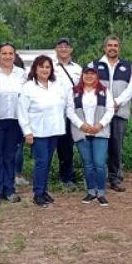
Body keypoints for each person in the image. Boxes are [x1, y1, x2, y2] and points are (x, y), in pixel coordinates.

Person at [18, 55, 68, 207]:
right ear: (35, 68)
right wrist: (27, 131)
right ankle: (38, 193)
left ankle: (44, 191)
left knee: (48, 162)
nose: (45, 70)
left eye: (47, 67)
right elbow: (22, 111)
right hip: (37, 131)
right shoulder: (28, 87)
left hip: (54, 130)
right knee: (41, 162)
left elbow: (64, 105)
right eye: (41, 67)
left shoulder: (56, 86)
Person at [67, 63, 115, 206]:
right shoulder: (74, 92)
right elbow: (69, 111)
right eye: (86, 73)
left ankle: (101, 192)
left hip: (100, 131)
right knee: (87, 164)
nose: (89, 76)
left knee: (99, 163)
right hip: (81, 131)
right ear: (82, 75)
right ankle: (91, 191)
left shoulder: (104, 91)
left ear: (96, 76)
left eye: (92, 73)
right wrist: (82, 125)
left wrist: (100, 125)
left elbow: (110, 110)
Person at [0, 42, 27, 204]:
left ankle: (9, 190)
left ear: (14, 55)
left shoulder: (21, 73)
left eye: (10, 53)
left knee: (10, 156)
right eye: (4, 53)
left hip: (15, 120)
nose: (7, 56)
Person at [96, 35, 132, 192]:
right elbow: (90, 85)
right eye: (109, 45)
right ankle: (99, 178)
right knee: (99, 145)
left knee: (116, 146)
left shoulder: (127, 66)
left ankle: (115, 178)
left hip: (119, 113)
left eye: (115, 45)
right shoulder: (94, 65)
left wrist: (117, 102)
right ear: (104, 48)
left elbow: (131, 87)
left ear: (119, 48)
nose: (112, 48)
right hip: (100, 113)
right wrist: (107, 103)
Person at [52, 37, 82, 189]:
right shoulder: (49, 66)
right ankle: (45, 176)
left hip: (72, 111)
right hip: (53, 111)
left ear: (71, 49)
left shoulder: (78, 69)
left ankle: (67, 176)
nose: (63, 49)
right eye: (60, 46)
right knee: (51, 144)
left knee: (67, 145)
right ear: (56, 49)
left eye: (66, 46)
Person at [13, 52, 28, 186]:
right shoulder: (25, 79)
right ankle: (17, 174)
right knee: (18, 147)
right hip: (21, 117)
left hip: (4, 117)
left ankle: (10, 174)